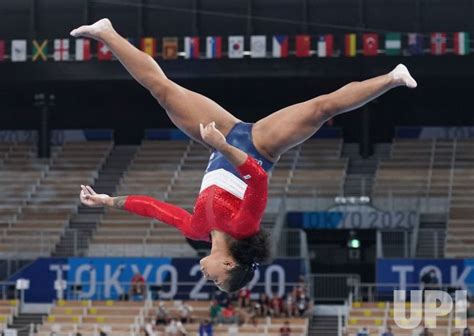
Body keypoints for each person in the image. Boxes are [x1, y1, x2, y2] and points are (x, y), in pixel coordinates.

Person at [73, 18, 417, 293]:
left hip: (221, 133)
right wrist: (223, 146)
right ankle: (391, 78)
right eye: (216, 281)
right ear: (229, 266)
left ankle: (107, 33)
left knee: (163, 90)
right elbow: (258, 179)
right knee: (321, 108)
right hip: (260, 144)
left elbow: (151, 208)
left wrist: (107, 201)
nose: (207, 277)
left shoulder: (196, 229)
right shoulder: (244, 226)